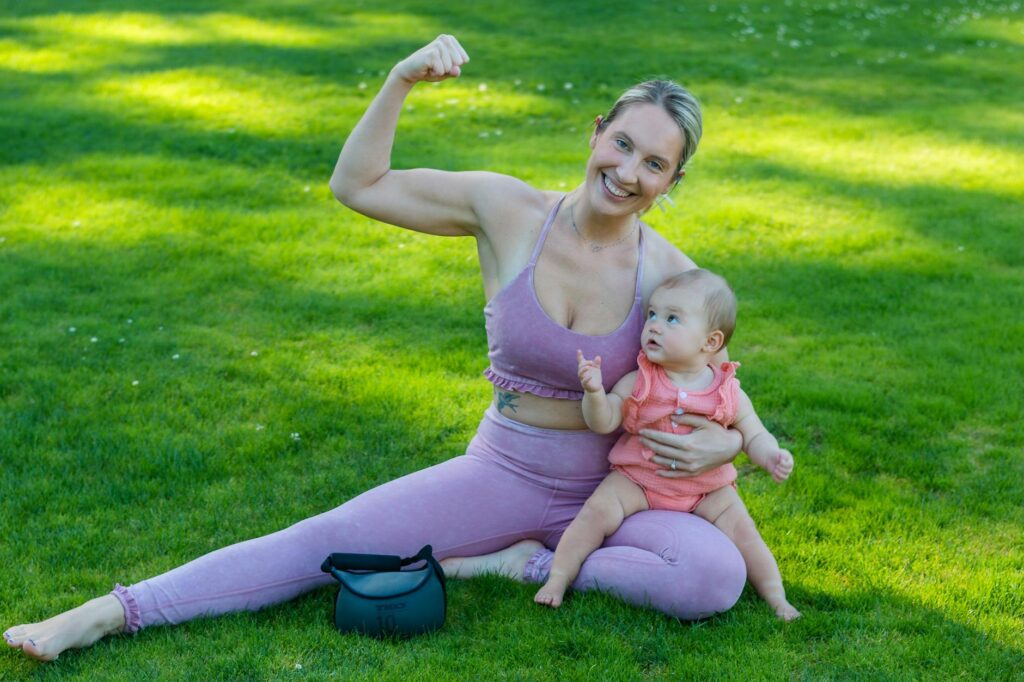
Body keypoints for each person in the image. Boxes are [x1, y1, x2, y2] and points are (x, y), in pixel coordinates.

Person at [5, 35, 747, 663]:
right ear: (595, 133)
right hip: (506, 468)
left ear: (671, 181)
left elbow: (716, 392)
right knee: (322, 543)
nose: (628, 171)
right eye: (622, 143)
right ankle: (107, 613)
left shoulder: (670, 273)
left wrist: (724, 443)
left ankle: (525, 563)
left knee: (711, 578)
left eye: (654, 164)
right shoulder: (507, 210)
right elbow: (358, 184)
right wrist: (400, 81)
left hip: (617, 488)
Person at [532, 269, 800, 620]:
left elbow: (752, 432)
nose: (655, 326)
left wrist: (772, 456)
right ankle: (557, 577)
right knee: (595, 514)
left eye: (672, 319)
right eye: (653, 315)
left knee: (745, 532)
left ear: (711, 343)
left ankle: (777, 597)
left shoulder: (727, 391)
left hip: (707, 490)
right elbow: (605, 420)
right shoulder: (641, 380)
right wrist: (595, 394)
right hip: (639, 480)